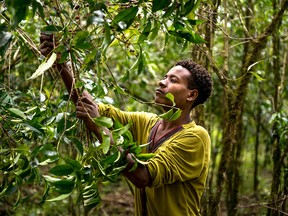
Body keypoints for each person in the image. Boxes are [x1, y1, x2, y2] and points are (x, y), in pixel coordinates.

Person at [40, 33, 213, 216]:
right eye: (165, 76)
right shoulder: (146, 123)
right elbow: (87, 105)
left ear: (191, 95)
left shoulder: (196, 137)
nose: (162, 82)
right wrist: (61, 63)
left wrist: (99, 128)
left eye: (173, 80)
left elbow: (143, 175)